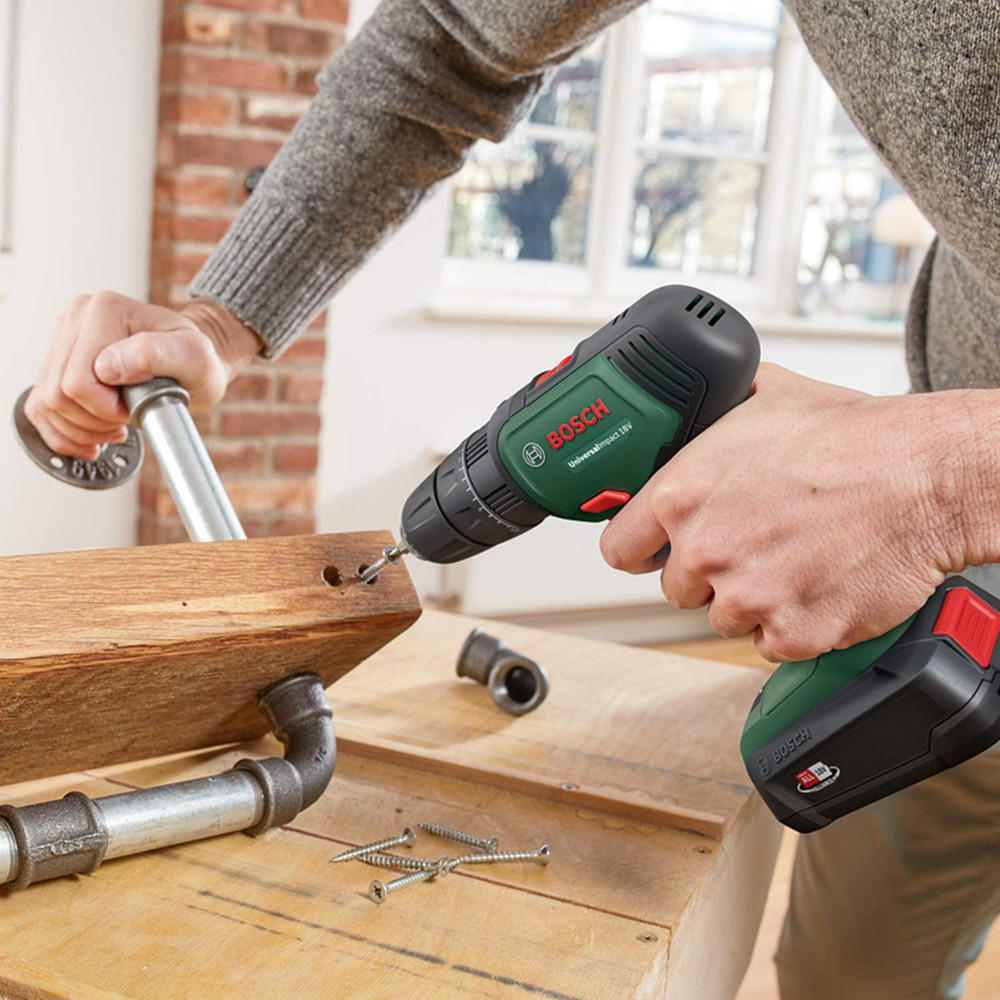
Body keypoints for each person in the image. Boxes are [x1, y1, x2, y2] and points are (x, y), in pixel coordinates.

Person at [23, 1, 1000, 995]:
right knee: (851, 974)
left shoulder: (934, 484)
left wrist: (948, 478)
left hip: (945, 495)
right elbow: (453, 38)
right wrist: (222, 318)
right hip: (946, 576)